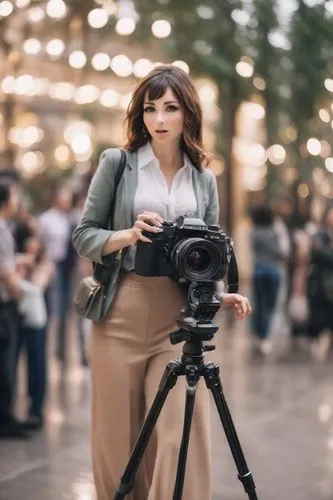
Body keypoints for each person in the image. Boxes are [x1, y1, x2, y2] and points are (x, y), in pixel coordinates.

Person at [73, 65, 251, 500]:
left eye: (170, 108)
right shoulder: (119, 164)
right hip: (119, 312)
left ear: (187, 113)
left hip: (177, 319)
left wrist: (219, 293)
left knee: (179, 435)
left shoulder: (204, 178)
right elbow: (84, 235)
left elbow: (208, 254)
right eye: (151, 108)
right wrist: (128, 235)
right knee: (118, 442)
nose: (159, 118)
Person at [0, 182, 31, 439]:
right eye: (14, 196)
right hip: (4, 307)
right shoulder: (1, 229)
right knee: (6, 365)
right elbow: (6, 275)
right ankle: (5, 420)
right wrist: (22, 296)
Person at [250, 204, 283, 355]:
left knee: (259, 304)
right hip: (273, 271)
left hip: (258, 271)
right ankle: (265, 337)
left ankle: (258, 334)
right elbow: (280, 252)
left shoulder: (254, 232)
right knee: (270, 306)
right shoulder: (273, 232)